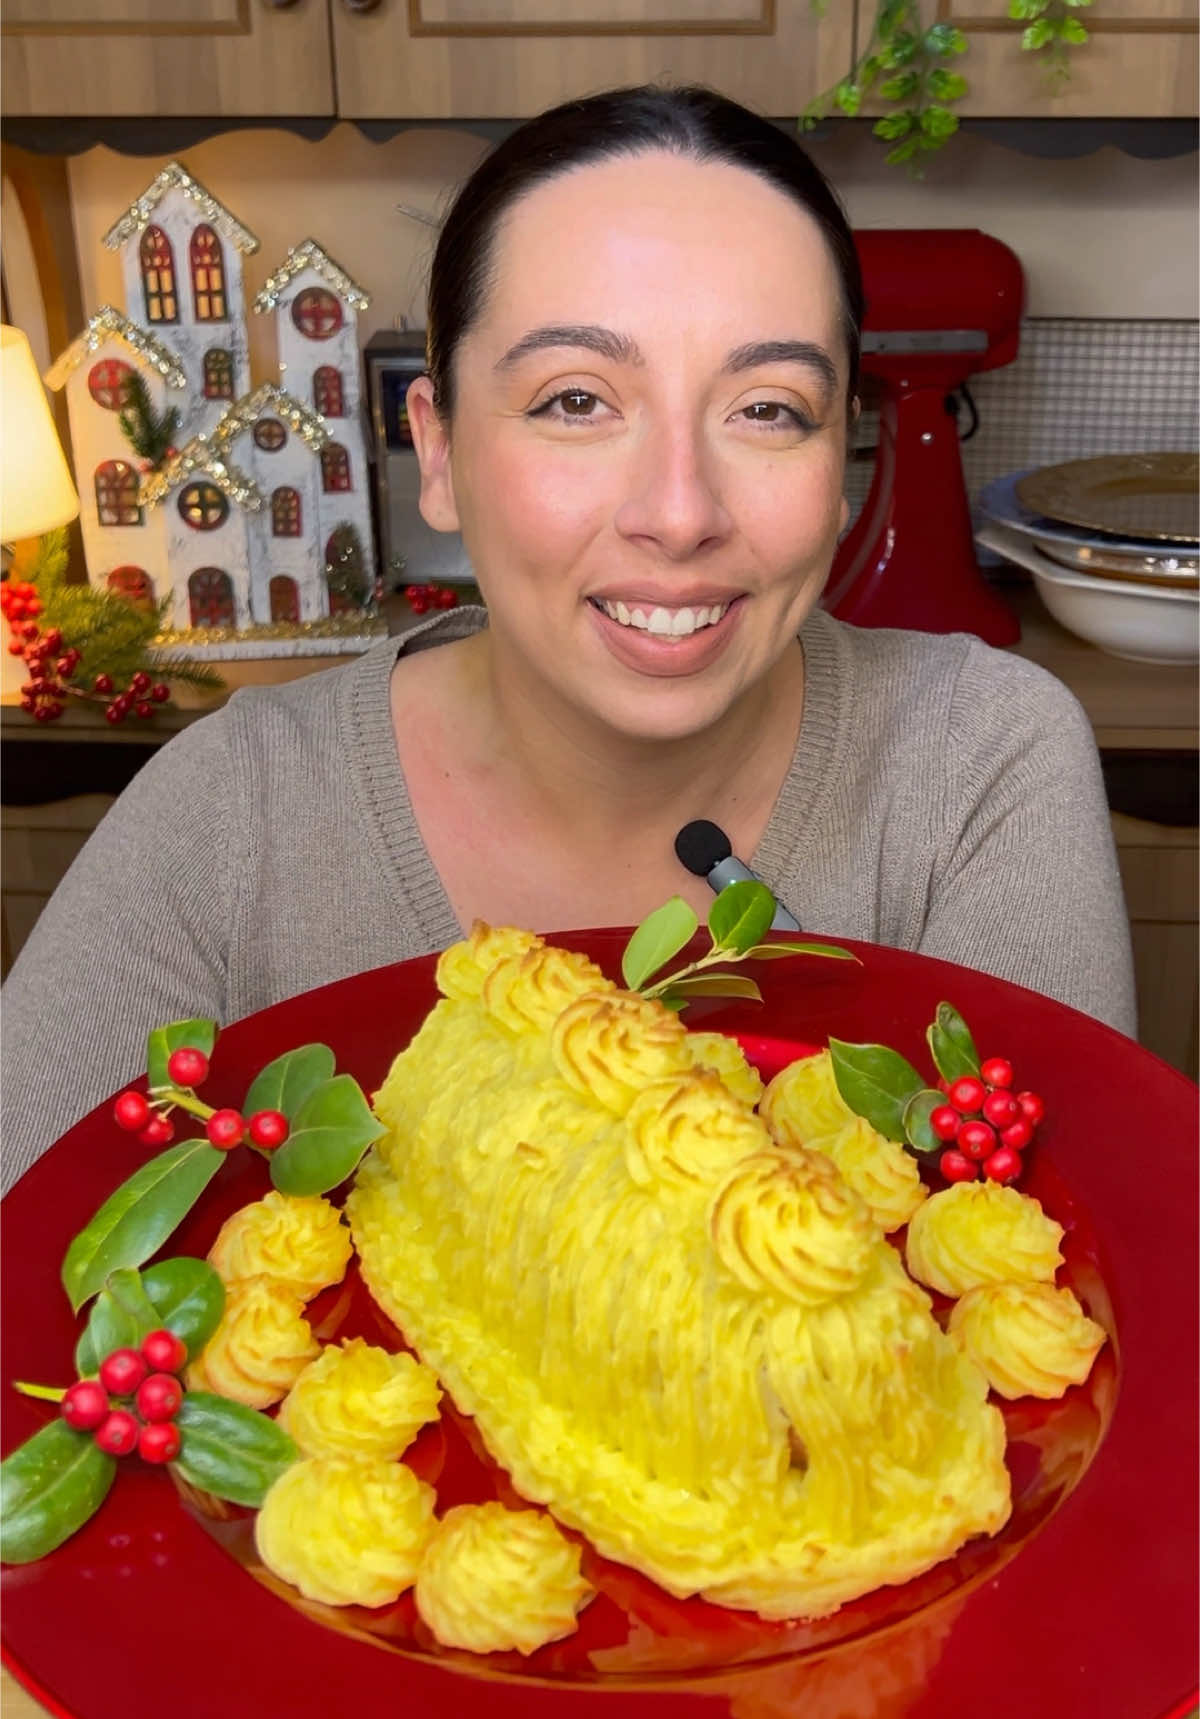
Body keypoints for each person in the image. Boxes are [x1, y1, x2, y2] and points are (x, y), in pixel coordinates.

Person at [1, 84, 1135, 1192]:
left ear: (843, 458)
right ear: (438, 453)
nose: (680, 512)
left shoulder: (982, 764)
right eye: (576, 402)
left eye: (769, 409)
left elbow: (1072, 1273)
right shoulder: (228, 814)